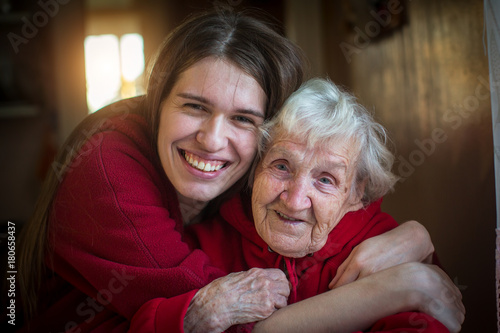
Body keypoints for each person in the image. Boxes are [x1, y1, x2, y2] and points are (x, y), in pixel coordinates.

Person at [13, 7, 447, 333]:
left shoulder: (256, 183)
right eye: (194, 106)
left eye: (243, 118)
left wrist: (416, 239)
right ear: (157, 100)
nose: (212, 140)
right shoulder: (109, 166)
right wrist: (400, 286)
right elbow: (221, 314)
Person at [168, 78, 463, 332]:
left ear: (356, 193)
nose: (295, 201)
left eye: (325, 180)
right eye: (282, 166)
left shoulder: (384, 248)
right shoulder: (197, 246)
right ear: (256, 166)